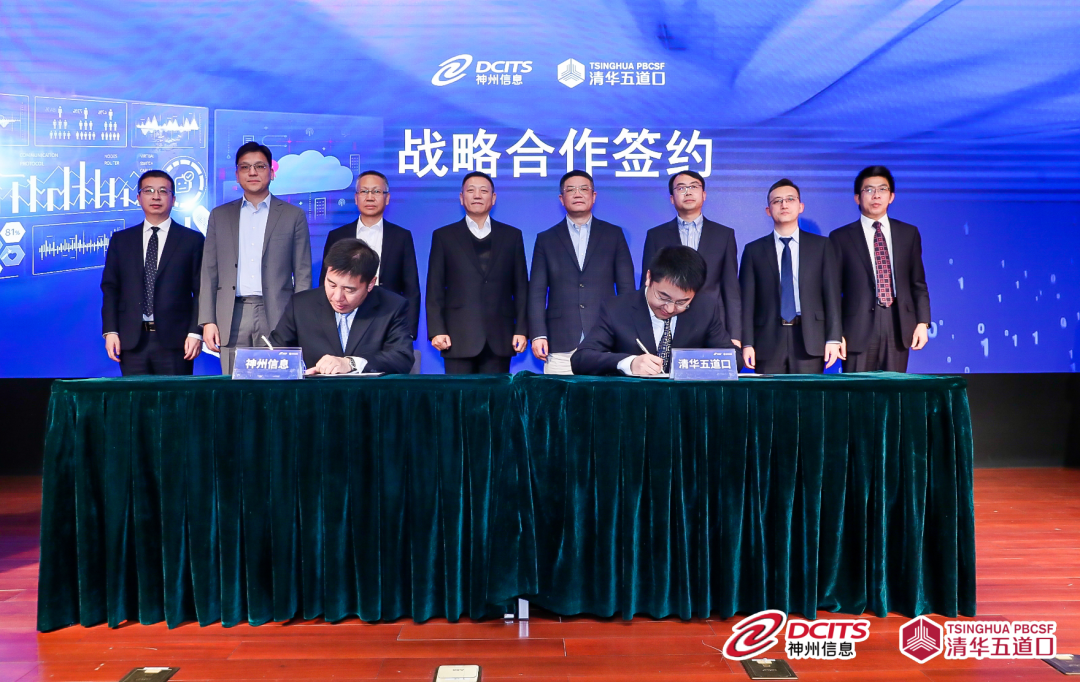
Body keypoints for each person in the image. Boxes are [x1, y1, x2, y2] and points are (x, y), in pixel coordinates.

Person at [199, 141, 312, 374]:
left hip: (278, 313)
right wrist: (208, 320)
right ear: (237, 175)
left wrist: (301, 319)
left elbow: (302, 273)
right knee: (233, 385)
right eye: (245, 167)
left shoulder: (293, 216)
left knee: (277, 382)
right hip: (231, 314)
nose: (252, 172)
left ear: (272, 172)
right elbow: (209, 272)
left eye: (260, 166)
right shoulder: (219, 216)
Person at [528, 170, 635, 374]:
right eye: (571, 190)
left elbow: (626, 289)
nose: (578, 194)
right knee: (558, 394)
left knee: (602, 395)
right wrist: (538, 334)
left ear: (593, 196)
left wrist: (627, 334)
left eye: (584, 189)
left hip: (605, 339)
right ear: (562, 199)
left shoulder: (613, 234)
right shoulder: (546, 239)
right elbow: (536, 292)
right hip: (560, 342)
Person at [100, 170, 204, 375]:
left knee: (175, 395)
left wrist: (195, 332)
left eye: (163, 191)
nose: (156, 196)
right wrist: (110, 331)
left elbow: (202, 290)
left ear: (173, 199)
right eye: (148, 191)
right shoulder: (121, 240)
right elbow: (110, 288)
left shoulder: (192, 240)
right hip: (131, 340)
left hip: (177, 341)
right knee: (135, 395)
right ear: (139, 198)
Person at [571, 246, 733, 376]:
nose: (670, 308)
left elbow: (733, 359)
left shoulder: (705, 308)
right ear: (649, 278)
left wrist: (691, 364)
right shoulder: (617, 308)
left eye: (682, 302)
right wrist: (629, 363)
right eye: (663, 297)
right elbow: (581, 359)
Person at [830, 165, 931, 372]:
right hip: (856, 328)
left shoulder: (908, 233)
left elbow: (918, 283)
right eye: (869, 190)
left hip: (898, 324)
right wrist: (836, 332)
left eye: (882, 189)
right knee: (857, 390)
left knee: (893, 389)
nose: (876, 195)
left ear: (891, 196)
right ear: (857, 198)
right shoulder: (840, 237)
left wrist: (923, 322)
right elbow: (833, 291)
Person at [426, 171, 528, 374]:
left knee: (497, 394)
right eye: (471, 190)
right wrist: (437, 330)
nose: (477, 195)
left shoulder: (512, 236)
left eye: (484, 191)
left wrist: (522, 330)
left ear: (494, 198)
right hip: (456, 337)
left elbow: (521, 288)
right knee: (459, 395)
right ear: (461, 198)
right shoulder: (444, 236)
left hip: (500, 337)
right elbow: (434, 288)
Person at [740, 179, 842, 374]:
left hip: (810, 338)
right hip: (767, 340)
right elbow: (747, 302)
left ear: (800, 206)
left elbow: (832, 295)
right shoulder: (753, 250)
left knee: (806, 393)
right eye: (777, 201)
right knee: (769, 394)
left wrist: (833, 338)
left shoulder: (821, 246)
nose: (784, 205)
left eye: (790, 199)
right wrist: (747, 343)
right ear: (768, 210)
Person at [270, 238, 413, 375]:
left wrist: (351, 363)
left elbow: (402, 358)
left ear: (370, 284)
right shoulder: (301, 305)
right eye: (331, 284)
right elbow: (273, 353)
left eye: (349, 290)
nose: (337, 297)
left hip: (368, 391)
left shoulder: (392, 307)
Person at [640, 170, 742, 348]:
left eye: (693, 187)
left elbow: (731, 288)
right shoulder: (656, 235)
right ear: (672, 199)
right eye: (681, 188)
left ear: (704, 194)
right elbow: (647, 285)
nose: (688, 192)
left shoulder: (723, 234)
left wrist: (735, 335)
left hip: (713, 322)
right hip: (668, 320)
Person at [320, 170, 421, 339]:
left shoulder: (401, 236)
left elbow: (411, 287)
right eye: (364, 191)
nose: (370, 197)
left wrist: (408, 331)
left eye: (376, 191)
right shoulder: (337, 236)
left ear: (387, 198)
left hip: (388, 316)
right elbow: (325, 282)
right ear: (356, 198)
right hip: (346, 314)